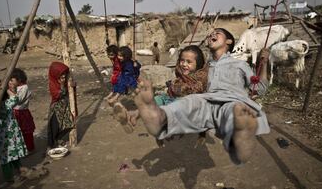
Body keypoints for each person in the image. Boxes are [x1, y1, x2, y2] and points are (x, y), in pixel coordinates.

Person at [133, 28, 270, 164]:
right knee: (189, 101)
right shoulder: (204, 67)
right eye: (210, 34)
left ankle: (240, 136)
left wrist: (263, 63)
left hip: (231, 99)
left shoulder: (239, 64)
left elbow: (260, 89)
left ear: (229, 41)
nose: (212, 35)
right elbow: (185, 72)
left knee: (231, 111)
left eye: (218, 33)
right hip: (207, 100)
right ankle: (160, 117)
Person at [114, 45, 209, 145]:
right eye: (182, 60)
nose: (184, 64)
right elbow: (175, 86)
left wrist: (176, 88)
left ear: (198, 64)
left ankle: (164, 131)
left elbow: (195, 90)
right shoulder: (181, 73)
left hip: (187, 106)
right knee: (156, 100)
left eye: (189, 62)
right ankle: (133, 115)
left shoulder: (201, 78)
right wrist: (172, 87)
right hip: (172, 98)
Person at [0, 79, 28, 184]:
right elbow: (15, 97)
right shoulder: (4, 104)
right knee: (9, 155)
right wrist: (6, 89)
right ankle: (10, 176)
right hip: (9, 134)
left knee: (8, 154)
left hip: (4, 135)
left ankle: (17, 170)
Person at [47, 62, 74, 150]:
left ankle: (58, 138)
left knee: (68, 124)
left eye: (64, 74)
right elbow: (57, 95)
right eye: (61, 74)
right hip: (56, 108)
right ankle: (50, 145)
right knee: (54, 126)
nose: (63, 76)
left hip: (65, 107)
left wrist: (72, 86)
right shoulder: (53, 83)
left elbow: (69, 90)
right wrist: (62, 85)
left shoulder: (65, 80)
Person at [10, 68, 36, 153]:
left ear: (19, 80)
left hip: (22, 113)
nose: (10, 82)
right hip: (16, 113)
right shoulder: (18, 87)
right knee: (18, 132)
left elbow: (18, 100)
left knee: (26, 132)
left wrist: (12, 91)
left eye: (12, 80)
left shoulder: (24, 88)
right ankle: (22, 149)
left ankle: (30, 149)